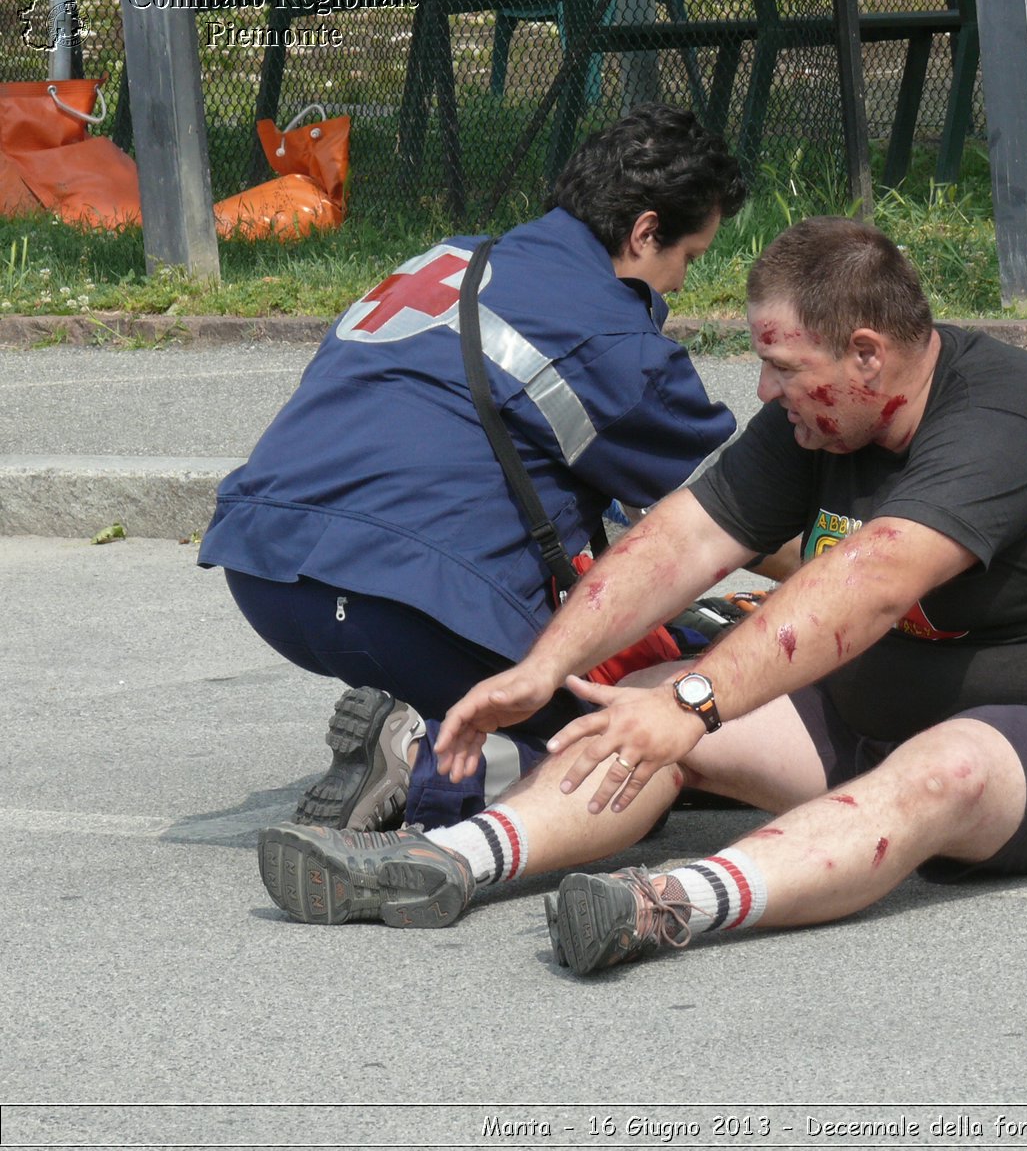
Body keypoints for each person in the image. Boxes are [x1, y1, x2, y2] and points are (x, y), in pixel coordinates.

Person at [254, 217, 1027, 972]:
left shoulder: (1003, 420)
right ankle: (444, 863)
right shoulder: (821, 422)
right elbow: (682, 536)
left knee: (940, 766)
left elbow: (870, 579)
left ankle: (669, 905)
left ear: (869, 355)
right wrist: (543, 667)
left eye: (784, 367)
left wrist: (698, 703)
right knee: (635, 717)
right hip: (882, 715)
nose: (762, 390)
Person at [201, 104, 747, 832]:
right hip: (406, 601)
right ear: (646, 231)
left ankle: (415, 715)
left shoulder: (449, 259)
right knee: (621, 758)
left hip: (266, 569)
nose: (679, 283)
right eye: (689, 257)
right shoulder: (609, 335)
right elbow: (730, 511)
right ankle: (432, 752)